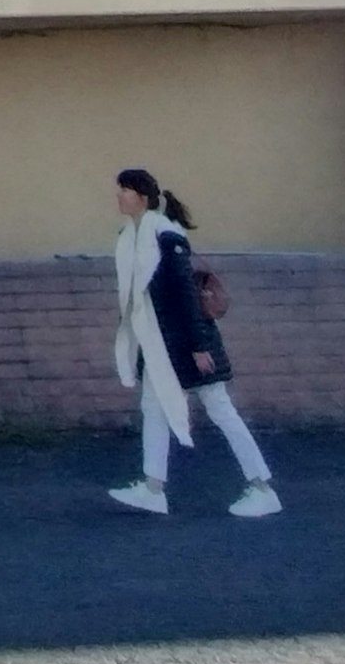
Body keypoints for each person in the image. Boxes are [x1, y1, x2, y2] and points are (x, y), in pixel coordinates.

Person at [104, 167, 280, 520]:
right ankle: (153, 488)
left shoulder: (167, 238)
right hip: (160, 346)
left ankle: (262, 488)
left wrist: (199, 347)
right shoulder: (133, 237)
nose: (118, 197)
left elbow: (185, 297)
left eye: (124, 190)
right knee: (154, 409)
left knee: (220, 410)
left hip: (185, 344)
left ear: (141, 196)